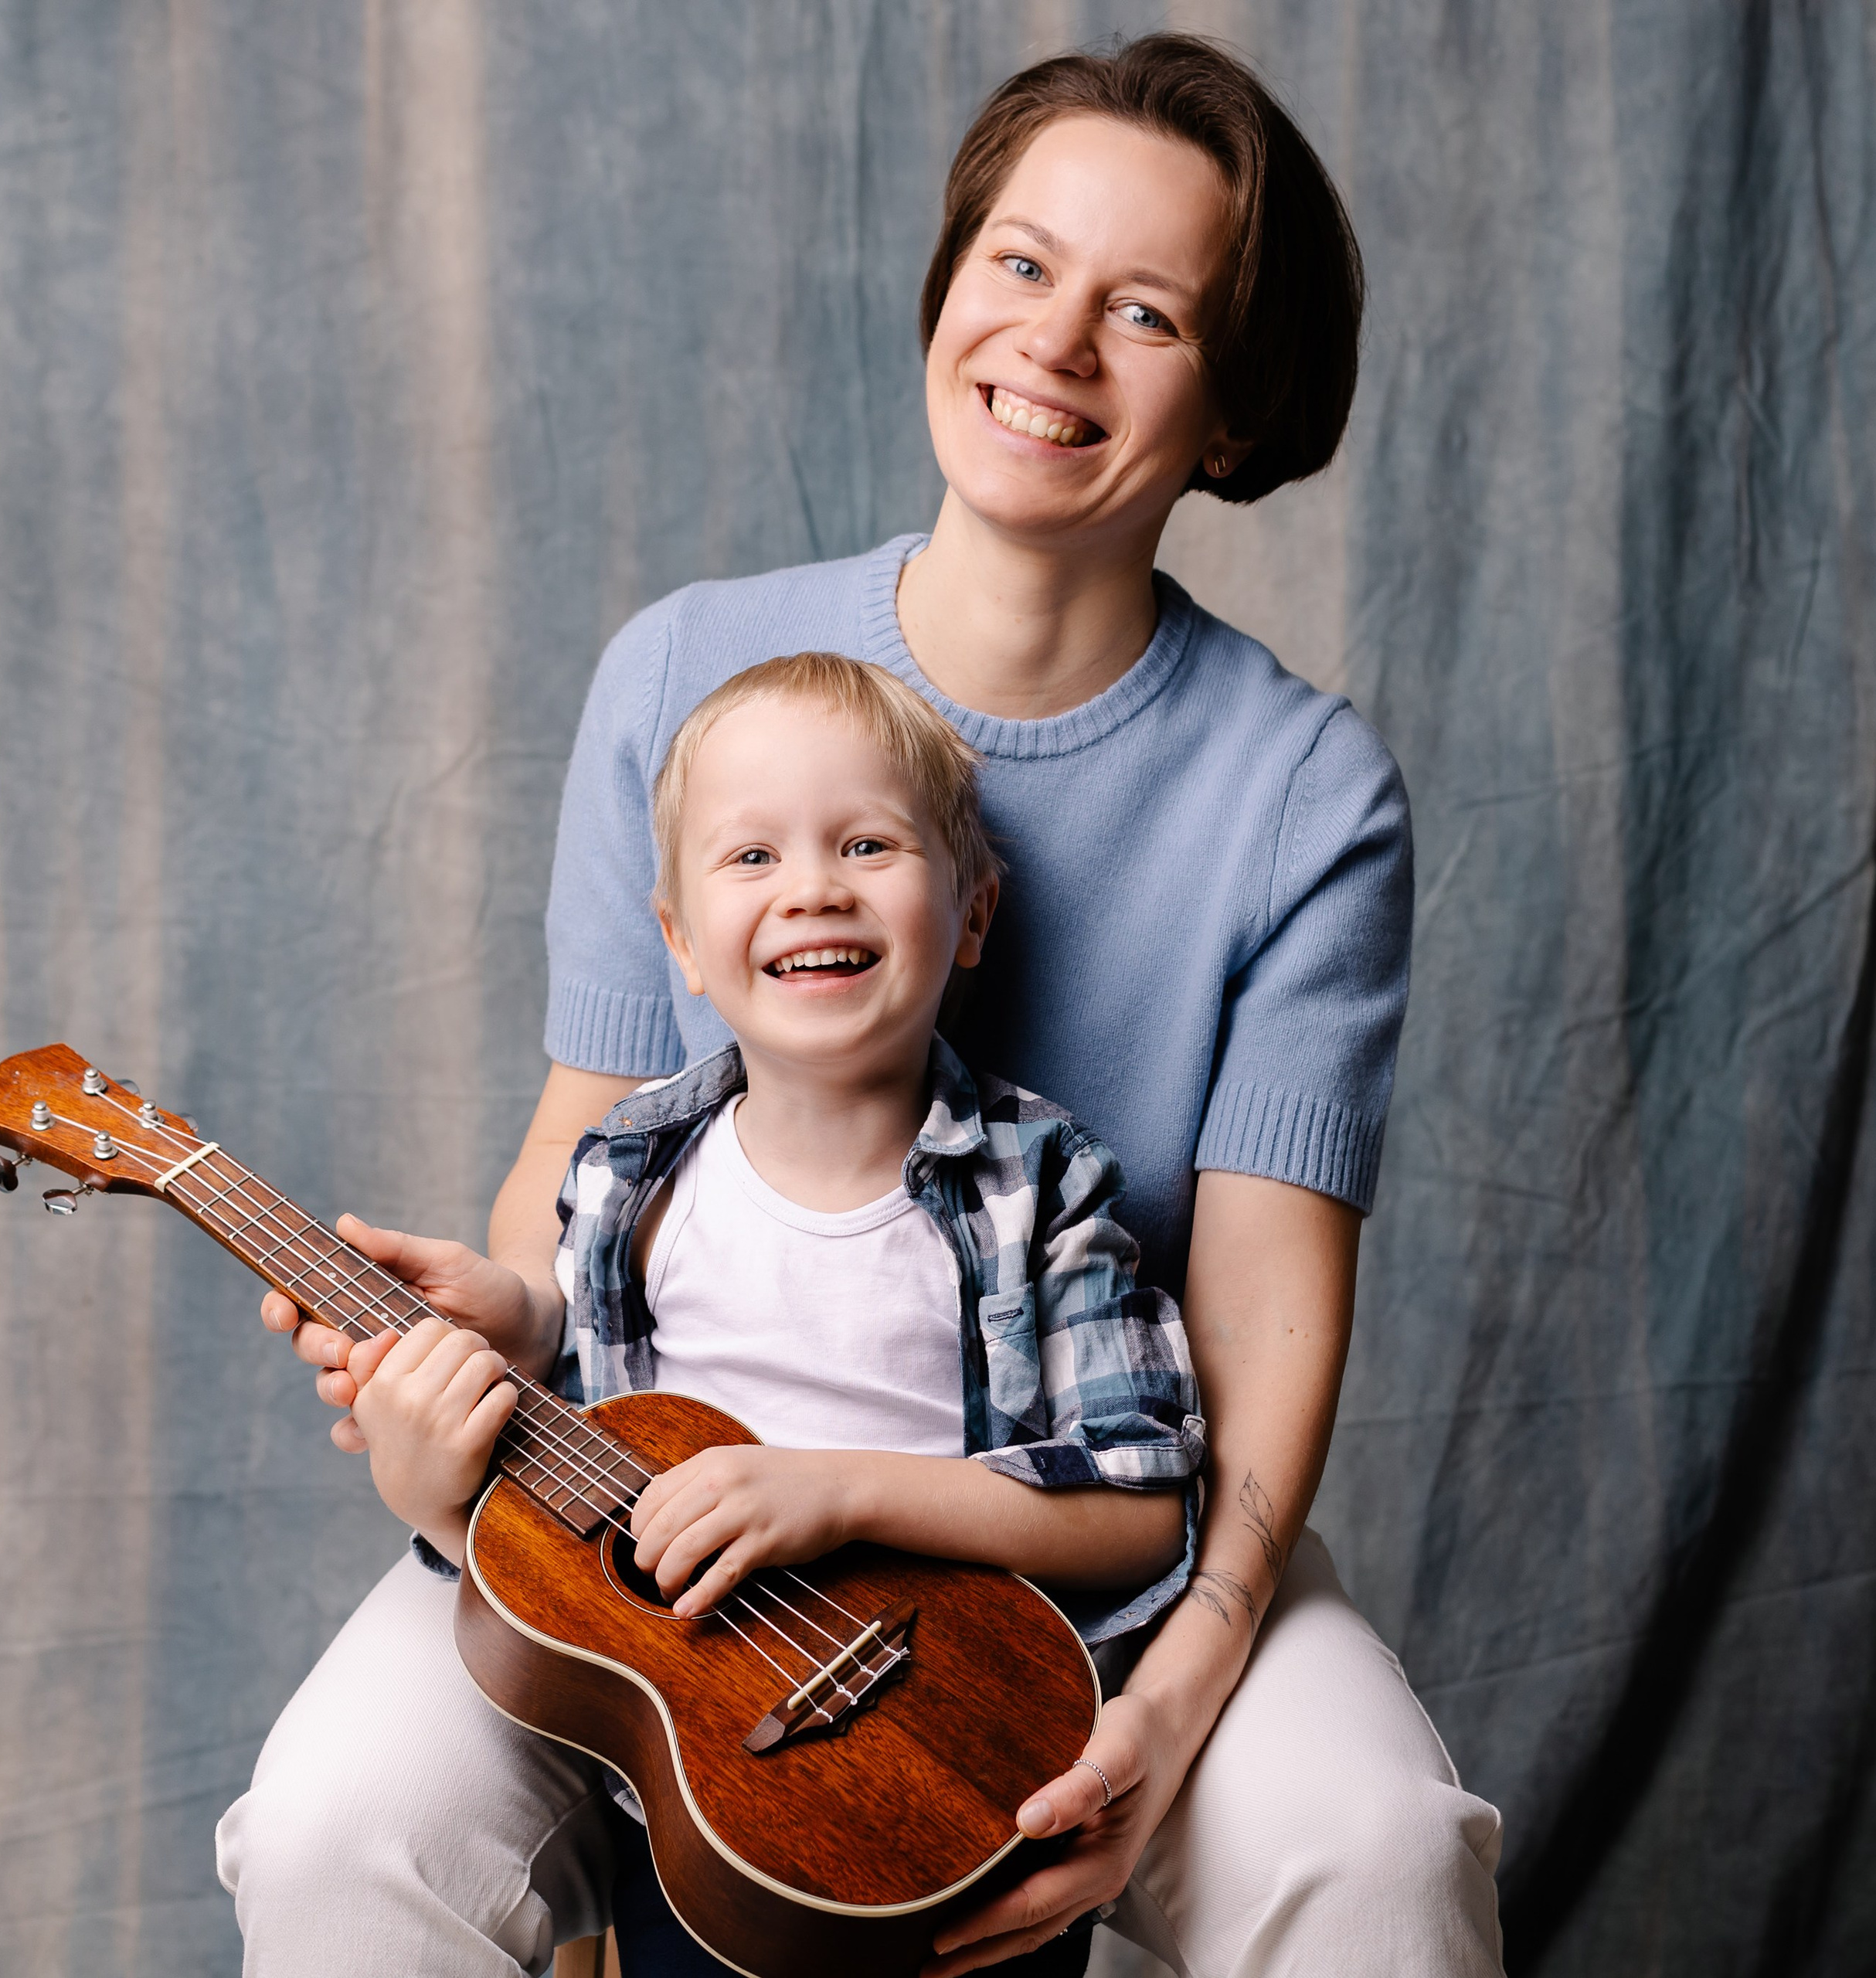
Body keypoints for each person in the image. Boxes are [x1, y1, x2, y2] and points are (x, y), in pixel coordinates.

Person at [248, 32, 1506, 1978]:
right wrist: (484, 1353)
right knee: (341, 1826)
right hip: (652, 1519)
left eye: (1144, 309)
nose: (1052, 345)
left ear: (1235, 406)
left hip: (1076, 1521)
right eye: (1017, 263)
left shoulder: (1299, 790)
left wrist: (1167, 1704)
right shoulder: (684, 667)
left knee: (1371, 1852)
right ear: (945, 287)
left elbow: (1259, 1338)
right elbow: (577, 1167)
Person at [292, 653, 1201, 1976]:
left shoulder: (1040, 1186)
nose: (812, 887)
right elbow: (593, 1518)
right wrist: (439, 1477)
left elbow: (1137, 1509)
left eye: (868, 843)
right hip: (704, 1769)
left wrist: (834, 1492)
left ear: (975, 913)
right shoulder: (627, 1181)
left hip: (958, 1743)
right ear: (680, 945)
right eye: (752, 856)